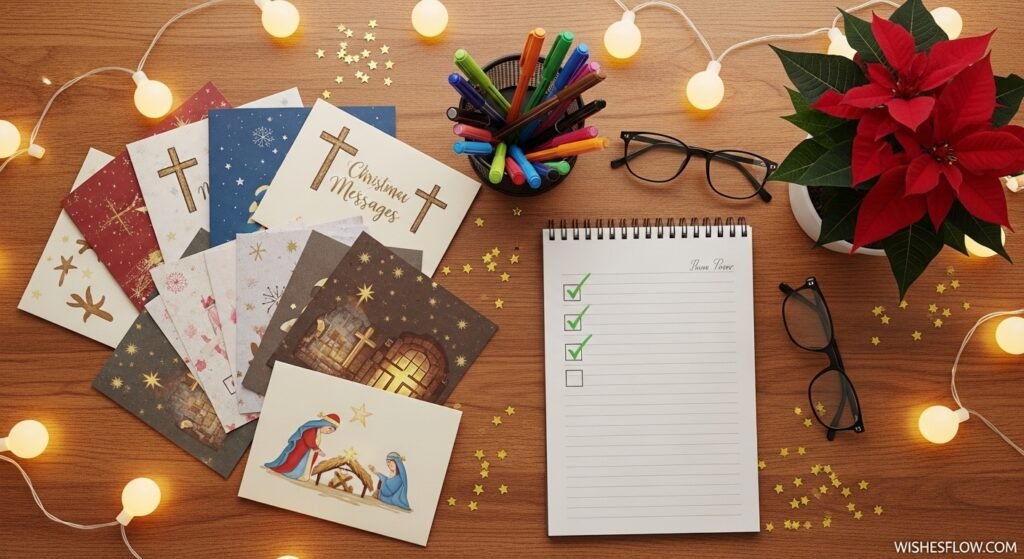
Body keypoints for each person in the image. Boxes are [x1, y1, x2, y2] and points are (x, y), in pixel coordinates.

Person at [264, 412, 340, 482]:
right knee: (296, 461)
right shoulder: (312, 430)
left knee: (303, 464)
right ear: (323, 423)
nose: (329, 432)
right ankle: (290, 472)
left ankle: (297, 474)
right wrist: (318, 450)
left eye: (332, 431)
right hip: (302, 450)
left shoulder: (318, 433)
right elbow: (309, 440)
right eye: (329, 428)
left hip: (307, 452)